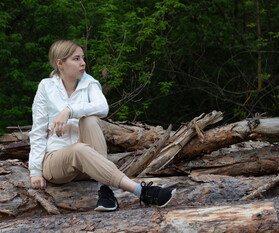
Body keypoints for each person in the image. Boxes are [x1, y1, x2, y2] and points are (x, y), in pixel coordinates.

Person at [29, 40, 176, 211]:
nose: (83, 63)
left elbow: (103, 107)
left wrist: (70, 110)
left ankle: (103, 190)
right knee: (79, 149)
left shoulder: (88, 83)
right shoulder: (46, 87)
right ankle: (140, 191)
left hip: (88, 164)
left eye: (82, 58)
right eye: (76, 59)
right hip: (56, 163)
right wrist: (35, 171)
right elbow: (38, 132)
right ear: (60, 63)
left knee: (89, 120)